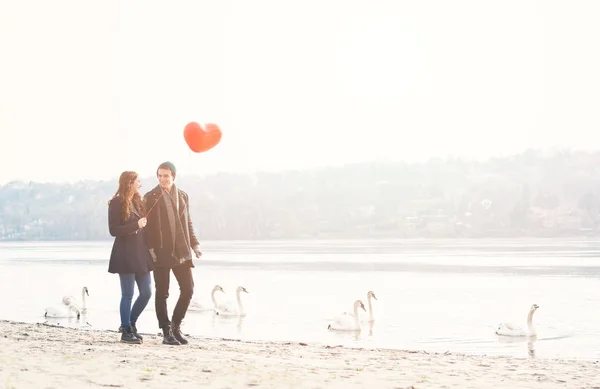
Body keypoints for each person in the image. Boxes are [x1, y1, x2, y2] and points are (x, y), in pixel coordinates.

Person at [143, 161, 202, 345]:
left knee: (188, 289)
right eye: (159, 176)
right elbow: (147, 229)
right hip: (160, 252)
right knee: (162, 293)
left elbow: (188, 223)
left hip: (181, 251)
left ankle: (176, 326)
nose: (162, 179)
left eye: (166, 176)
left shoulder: (183, 196)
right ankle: (166, 331)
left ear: (173, 176)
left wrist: (195, 244)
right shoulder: (150, 197)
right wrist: (150, 250)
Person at [108, 171, 154, 344]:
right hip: (125, 254)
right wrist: (136, 225)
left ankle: (130, 323)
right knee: (127, 294)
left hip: (141, 254)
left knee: (147, 293)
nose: (140, 184)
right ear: (129, 183)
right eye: (138, 181)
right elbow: (113, 230)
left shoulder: (137, 201)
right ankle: (126, 330)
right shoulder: (116, 202)